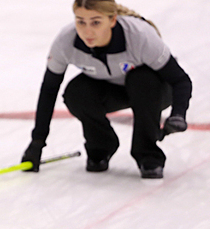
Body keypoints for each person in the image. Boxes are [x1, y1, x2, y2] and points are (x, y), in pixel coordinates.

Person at [22, 0, 192, 178]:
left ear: (112, 21)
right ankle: (101, 146)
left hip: (153, 91)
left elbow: (180, 80)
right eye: (81, 21)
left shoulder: (139, 35)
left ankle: (148, 154)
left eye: (96, 22)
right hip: (111, 89)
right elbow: (49, 89)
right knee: (76, 92)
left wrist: (178, 114)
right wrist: (37, 142)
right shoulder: (66, 41)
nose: (87, 31)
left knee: (142, 79)